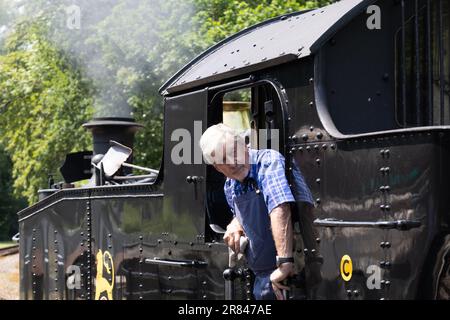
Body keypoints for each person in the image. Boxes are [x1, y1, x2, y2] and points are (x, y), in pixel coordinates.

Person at [199, 123, 313, 300]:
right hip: (262, 281)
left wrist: (284, 263)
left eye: (233, 151)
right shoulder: (230, 186)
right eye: (223, 159)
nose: (232, 162)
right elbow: (246, 214)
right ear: (216, 167)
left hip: (292, 275)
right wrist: (235, 224)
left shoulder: (267, 162)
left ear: (244, 144)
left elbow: (279, 206)